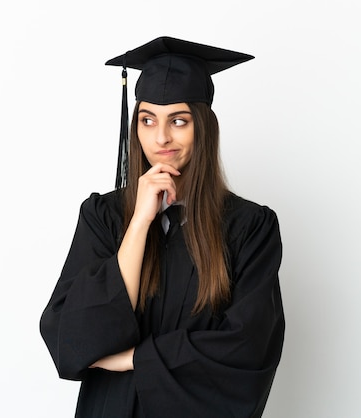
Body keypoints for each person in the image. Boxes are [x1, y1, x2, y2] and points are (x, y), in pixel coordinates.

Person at [40, 36, 285, 418]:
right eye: (147, 119)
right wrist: (139, 221)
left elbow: (248, 346)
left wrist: (136, 358)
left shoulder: (250, 228)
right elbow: (70, 336)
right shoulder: (104, 216)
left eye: (179, 121)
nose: (161, 138)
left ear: (203, 128)